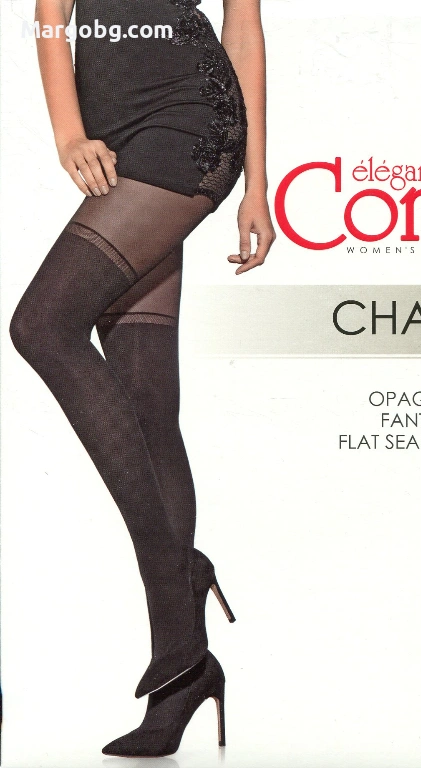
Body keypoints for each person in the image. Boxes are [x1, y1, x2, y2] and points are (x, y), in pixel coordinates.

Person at [9, 0, 275, 756]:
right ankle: (181, 676)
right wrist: (68, 132)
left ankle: (174, 577)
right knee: (147, 402)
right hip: (115, 135)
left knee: (43, 325)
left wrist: (257, 184)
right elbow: (51, 13)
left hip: (190, 124)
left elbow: (243, 28)